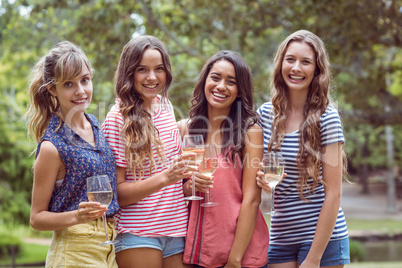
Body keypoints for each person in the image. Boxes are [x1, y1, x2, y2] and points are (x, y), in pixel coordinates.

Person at [256, 30, 350, 268]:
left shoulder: (327, 118)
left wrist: (314, 258)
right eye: (290, 59)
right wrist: (261, 180)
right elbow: (258, 172)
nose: (296, 68)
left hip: (323, 239)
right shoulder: (264, 115)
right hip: (281, 236)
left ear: (316, 70)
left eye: (305, 62)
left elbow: (334, 194)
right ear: (281, 64)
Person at [101, 35, 195, 268]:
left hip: (176, 229)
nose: (152, 77)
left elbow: (171, 179)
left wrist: (188, 184)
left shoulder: (165, 106)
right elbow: (116, 195)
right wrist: (166, 177)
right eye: (142, 69)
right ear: (129, 72)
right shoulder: (116, 118)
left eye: (159, 69)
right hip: (138, 233)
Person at [26, 41, 119, 267]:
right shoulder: (52, 146)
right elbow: (37, 218)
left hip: (109, 247)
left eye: (85, 80)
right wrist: (78, 216)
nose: (80, 91)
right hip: (74, 250)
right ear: (52, 89)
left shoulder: (95, 125)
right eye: (69, 84)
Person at [180, 50, 269, 268]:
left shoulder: (250, 132)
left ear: (240, 91)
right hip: (199, 253)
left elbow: (252, 199)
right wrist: (190, 186)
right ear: (205, 81)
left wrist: (235, 259)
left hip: (241, 256)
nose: (221, 86)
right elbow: (177, 192)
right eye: (215, 77)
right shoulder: (185, 130)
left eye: (231, 82)